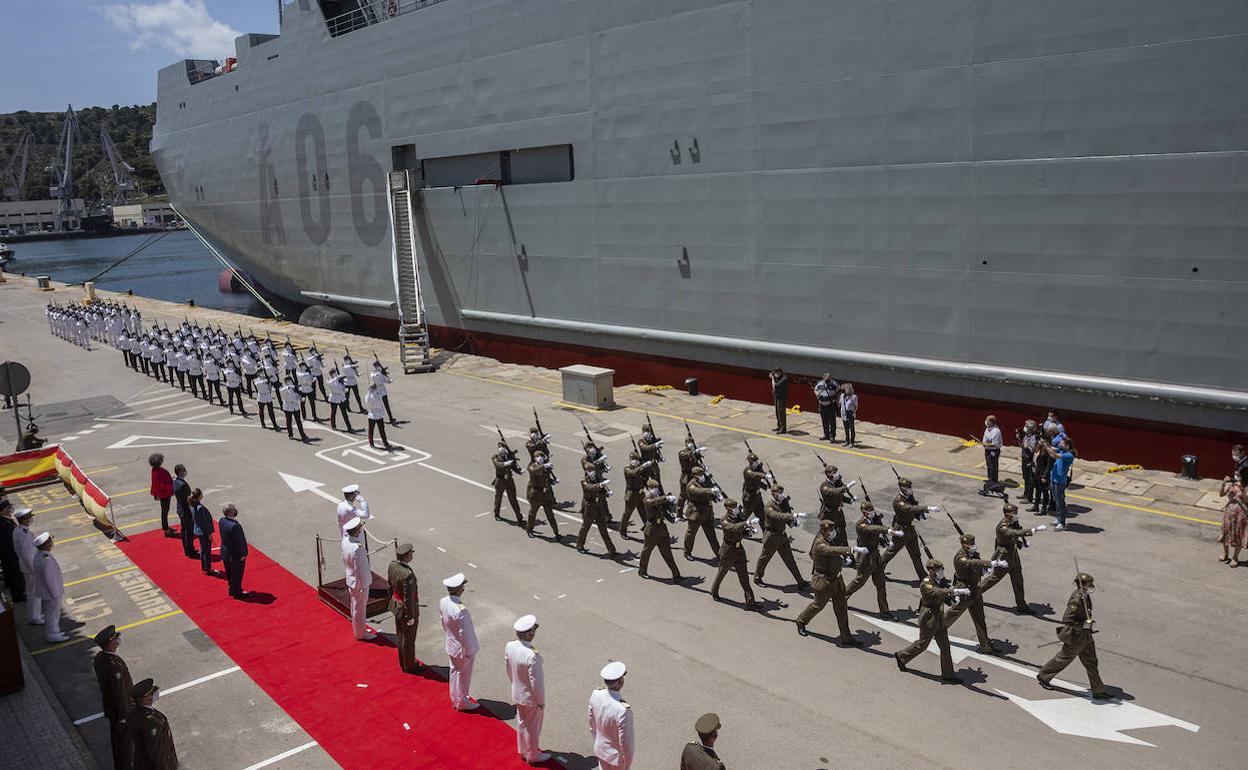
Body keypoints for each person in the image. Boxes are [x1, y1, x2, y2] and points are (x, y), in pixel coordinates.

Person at [1037, 573, 1110, 699]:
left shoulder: (1085, 596)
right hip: (1076, 636)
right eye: (1090, 584)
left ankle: (1098, 691)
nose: (1092, 586)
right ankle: (1044, 675)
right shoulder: (1077, 598)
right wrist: (1082, 625)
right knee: (1063, 659)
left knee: (1091, 663)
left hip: (1085, 636)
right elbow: (1067, 619)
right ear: (1083, 585)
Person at [894, 559, 967, 683]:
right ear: (931, 570)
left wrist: (953, 600)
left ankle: (948, 675)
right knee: (923, 644)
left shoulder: (939, 581)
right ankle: (902, 656)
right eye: (939, 569)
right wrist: (954, 591)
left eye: (942, 569)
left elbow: (943, 596)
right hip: (929, 618)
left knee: (945, 646)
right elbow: (936, 592)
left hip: (938, 618)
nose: (941, 571)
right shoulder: (926, 584)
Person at [795, 520, 862, 643]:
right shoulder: (820, 544)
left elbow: (833, 554)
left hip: (836, 580)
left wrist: (841, 561)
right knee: (818, 605)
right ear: (823, 531)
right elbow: (833, 550)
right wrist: (851, 549)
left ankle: (846, 637)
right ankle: (801, 621)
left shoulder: (829, 540)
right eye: (830, 530)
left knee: (842, 608)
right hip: (824, 581)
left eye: (833, 530)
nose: (833, 532)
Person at [943, 534, 1005, 654]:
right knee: (953, 614)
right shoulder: (960, 558)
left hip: (975, 589)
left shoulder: (974, 554)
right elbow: (973, 563)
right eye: (969, 544)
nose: (972, 546)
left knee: (980, 618)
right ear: (964, 545)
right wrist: (991, 563)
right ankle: (936, 630)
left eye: (972, 544)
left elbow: (977, 566)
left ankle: (985, 645)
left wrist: (983, 570)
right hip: (964, 590)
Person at [978, 503, 1045, 613]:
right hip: (1004, 557)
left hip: (1013, 555)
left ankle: (1021, 605)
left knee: (1018, 580)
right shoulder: (1002, 526)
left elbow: (1012, 539)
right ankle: (973, 593)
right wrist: (1034, 530)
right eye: (1014, 513)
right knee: (994, 579)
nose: (1016, 515)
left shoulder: (1011, 522)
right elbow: (1014, 533)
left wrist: (1020, 544)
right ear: (1008, 514)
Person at [505, 614, 550, 765]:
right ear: (530, 633)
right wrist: (541, 701)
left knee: (522, 723)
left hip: (517, 692)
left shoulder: (510, 646)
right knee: (533, 728)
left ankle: (524, 750)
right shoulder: (532, 655)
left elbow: (509, 670)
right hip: (530, 698)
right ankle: (533, 755)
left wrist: (515, 685)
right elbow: (536, 683)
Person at [753, 485, 810, 590]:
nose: (781, 495)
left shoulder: (783, 502)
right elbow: (778, 516)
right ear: (773, 494)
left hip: (782, 535)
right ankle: (757, 576)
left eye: (782, 493)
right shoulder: (769, 506)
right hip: (772, 537)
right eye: (779, 493)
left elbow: (786, 514)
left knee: (790, 559)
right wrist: (795, 515)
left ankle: (800, 582)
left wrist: (793, 523)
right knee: (765, 558)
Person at [93, 625, 133, 770]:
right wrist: (124, 716)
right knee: (126, 748)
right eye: (116, 638)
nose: (118, 640)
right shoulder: (113, 666)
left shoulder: (100, 658)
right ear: (110, 643)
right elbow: (119, 692)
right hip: (121, 713)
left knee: (118, 744)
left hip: (112, 711)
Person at [843, 501, 893, 619]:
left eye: (872, 510)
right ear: (864, 513)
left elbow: (875, 536)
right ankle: (841, 598)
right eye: (869, 511)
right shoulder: (861, 525)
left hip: (876, 557)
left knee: (881, 585)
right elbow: (872, 530)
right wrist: (886, 530)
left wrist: (882, 541)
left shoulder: (874, 520)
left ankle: (884, 611)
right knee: (859, 582)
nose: (872, 512)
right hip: (865, 559)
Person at [880, 477, 935, 581]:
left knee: (916, 554)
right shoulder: (898, 501)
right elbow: (909, 508)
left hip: (910, 528)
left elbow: (914, 506)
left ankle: (922, 576)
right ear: (902, 488)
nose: (910, 489)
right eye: (907, 487)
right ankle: (878, 570)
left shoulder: (909, 497)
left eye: (910, 487)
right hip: (901, 529)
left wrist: (920, 515)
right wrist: (927, 508)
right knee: (891, 552)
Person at [439, 572, 480, 710]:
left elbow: (443, 622)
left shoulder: (443, 601)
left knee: (454, 671)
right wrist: (467, 651)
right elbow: (465, 634)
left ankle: (455, 697)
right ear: (460, 589)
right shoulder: (461, 611)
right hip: (462, 648)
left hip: (451, 644)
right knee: (464, 675)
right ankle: (462, 701)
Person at [710, 500, 756, 609]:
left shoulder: (738, 516)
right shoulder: (724, 520)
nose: (736, 509)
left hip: (739, 549)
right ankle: (714, 590)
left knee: (744, 576)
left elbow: (741, 531)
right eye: (733, 507)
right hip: (728, 551)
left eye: (736, 507)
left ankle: (750, 601)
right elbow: (733, 528)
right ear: (728, 508)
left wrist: (749, 532)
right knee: (722, 573)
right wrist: (746, 523)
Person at [125, 679, 178, 770]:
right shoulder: (150, 723)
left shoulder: (135, 713)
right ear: (144, 699)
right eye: (151, 693)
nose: (155, 694)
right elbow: (156, 752)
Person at [638, 479, 684, 581]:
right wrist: (666, 497)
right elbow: (652, 503)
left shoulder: (658, 498)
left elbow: (663, 511)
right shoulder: (647, 499)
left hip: (662, 529)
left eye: (656, 488)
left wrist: (672, 519)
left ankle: (676, 575)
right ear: (649, 489)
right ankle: (642, 570)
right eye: (653, 488)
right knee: (647, 551)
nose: (655, 490)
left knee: (667, 553)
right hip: (652, 530)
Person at [388, 542, 421, 672]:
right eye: (411, 553)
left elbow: (390, 585)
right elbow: (408, 598)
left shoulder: (392, 565)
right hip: (405, 608)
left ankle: (404, 662)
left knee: (400, 635)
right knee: (408, 639)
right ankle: (410, 666)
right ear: (407, 556)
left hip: (396, 604)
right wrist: (410, 616)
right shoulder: (407, 575)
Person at [341, 517, 375, 640]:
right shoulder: (357, 548)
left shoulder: (345, 541)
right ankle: (361, 633)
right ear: (356, 530)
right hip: (359, 583)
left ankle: (360, 629)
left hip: (351, 579)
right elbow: (359, 568)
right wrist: (362, 584)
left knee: (356, 607)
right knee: (359, 609)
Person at [32, 532, 67, 642]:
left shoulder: (40, 555)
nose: (52, 544)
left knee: (51, 613)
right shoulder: (45, 559)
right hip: (52, 593)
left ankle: (54, 632)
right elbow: (49, 579)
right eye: (50, 542)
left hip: (47, 592)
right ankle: (53, 635)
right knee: (53, 614)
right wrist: (55, 594)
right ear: (46, 545)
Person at [577, 467, 618, 558]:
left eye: (593, 470)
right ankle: (580, 545)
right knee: (586, 527)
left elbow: (601, 489)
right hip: (589, 506)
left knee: (603, 528)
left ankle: (611, 550)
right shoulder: (584, 481)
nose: (591, 472)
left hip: (598, 506)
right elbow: (590, 487)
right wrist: (600, 485)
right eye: (589, 471)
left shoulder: (597, 478)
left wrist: (607, 492)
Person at [682, 466, 721, 560]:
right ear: (695, 475)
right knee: (691, 534)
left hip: (707, 513)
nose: (702, 476)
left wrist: (715, 496)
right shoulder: (691, 485)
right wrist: (710, 490)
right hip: (696, 513)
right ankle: (687, 552)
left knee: (712, 535)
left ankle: (719, 554)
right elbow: (698, 491)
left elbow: (708, 493)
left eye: (702, 474)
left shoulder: (704, 482)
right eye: (700, 475)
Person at [525, 452, 562, 539]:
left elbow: (546, 479)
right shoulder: (532, 466)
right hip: (536, 494)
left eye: (541, 456)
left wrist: (553, 481)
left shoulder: (546, 467)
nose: (540, 458)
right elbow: (533, 471)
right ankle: (530, 529)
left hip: (545, 494)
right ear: (534, 458)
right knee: (533, 513)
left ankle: (556, 532)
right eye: (537, 456)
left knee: (550, 514)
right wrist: (544, 466)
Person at [13, 508, 40, 623]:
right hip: (30, 568)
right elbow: (27, 553)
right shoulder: (24, 534)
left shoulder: (18, 530)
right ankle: (35, 616)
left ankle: (34, 615)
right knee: (34, 592)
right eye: (29, 517)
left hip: (26, 567)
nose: (31, 519)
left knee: (31, 592)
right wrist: (34, 569)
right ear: (25, 520)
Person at [1042, 437, 1076, 529]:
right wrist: (1045, 442)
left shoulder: (1068, 455)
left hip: (1059, 481)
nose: (1060, 445)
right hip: (1054, 479)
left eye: (1062, 443)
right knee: (1056, 501)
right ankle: (1058, 518)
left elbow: (1054, 455)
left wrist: (1046, 446)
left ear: (1067, 446)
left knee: (1060, 502)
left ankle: (1062, 523)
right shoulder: (1062, 451)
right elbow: (1052, 449)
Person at [218, 504, 248, 599]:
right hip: (234, 556)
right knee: (237, 576)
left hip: (225, 553)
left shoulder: (222, 521)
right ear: (231, 512)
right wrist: (242, 554)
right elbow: (238, 543)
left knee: (230, 574)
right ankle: (237, 593)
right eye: (234, 509)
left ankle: (231, 590)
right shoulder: (235, 526)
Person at [1218, 469, 1247, 566]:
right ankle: (1225, 553)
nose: (1236, 476)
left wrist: (1242, 489)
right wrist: (1223, 484)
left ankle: (1235, 557)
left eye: (1238, 475)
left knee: (1237, 534)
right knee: (1226, 532)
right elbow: (1221, 494)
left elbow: (1247, 500)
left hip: (1240, 514)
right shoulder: (1230, 485)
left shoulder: (1245, 486)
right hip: (1229, 512)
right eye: (1235, 474)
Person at [618, 450, 649, 539]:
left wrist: (646, 468)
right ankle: (622, 531)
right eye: (633, 459)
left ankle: (648, 531)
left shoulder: (640, 468)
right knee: (627, 513)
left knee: (645, 513)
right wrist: (642, 466)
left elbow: (645, 478)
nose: (635, 461)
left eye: (636, 459)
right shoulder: (627, 469)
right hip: (631, 495)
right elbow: (633, 473)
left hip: (640, 494)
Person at [0, 499, 26, 603]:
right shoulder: (3, 523)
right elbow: (10, 540)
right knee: (15, 577)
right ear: (2, 511)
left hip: (14, 555)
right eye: (7, 508)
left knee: (18, 577)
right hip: (11, 556)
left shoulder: (7, 520)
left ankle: (20, 595)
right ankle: (19, 598)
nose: (10, 510)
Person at [492, 440, 524, 524]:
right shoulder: (495, 457)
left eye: (502, 447)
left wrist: (519, 471)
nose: (500, 448)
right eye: (499, 447)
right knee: (498, 498)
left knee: (513, 499)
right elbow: (498, 465)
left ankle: (519, 518)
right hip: (500, 480)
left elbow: (514, 467)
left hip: (509, 481)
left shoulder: (509, 456)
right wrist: (506, 463)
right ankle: (496, 514)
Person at [170, 464, 196, 559]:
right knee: (188, 532)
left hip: (180, 509)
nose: (185, 471)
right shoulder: (183, 485)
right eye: (183, 470)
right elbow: (188, 499)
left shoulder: (176, 482)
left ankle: (187, 549)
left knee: (184, 530)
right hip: (186, 511)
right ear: (180, 472)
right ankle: (190, 551)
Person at [149, 453, 176, 538]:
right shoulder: (159, 472)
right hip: (164, 494)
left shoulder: (155, 470)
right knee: (165, 511)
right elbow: (161, 485)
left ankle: (166, 527)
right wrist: (173, 484)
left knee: (165, 511)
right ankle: (166, 529)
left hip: (162, 494)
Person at [190, 489, 215, 575]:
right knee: (207, 551)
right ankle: (208, 568)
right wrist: (209, 534)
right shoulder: (201, 508)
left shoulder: (193, 506)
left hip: (199, 531)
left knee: (202, 549)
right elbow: (205, 523)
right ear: (199, 496)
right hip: (204, 532)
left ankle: (204, 567)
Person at [279, 377, 309, 442]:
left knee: (298, 422)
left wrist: (301, 399)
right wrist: (289, 387)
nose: (290, 381)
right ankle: (290, 434)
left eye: (290, 380)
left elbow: (298, 395)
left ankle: (303, 435)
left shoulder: (294, 388)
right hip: (288, 406)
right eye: (288, 380)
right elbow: (281, 391)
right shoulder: (284, 388)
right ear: (286, 382)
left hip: (295, 406)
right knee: (289, 421)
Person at [364, 383, 393, 450]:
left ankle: (373, 443)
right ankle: (384, 443)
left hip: (374, 415)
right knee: (379, 430)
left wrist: (369, 391)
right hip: (376, 415)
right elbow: (378, 400)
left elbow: (367, 399)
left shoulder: (368, 396)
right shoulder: (375, 396)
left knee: (373, 430)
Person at [1017, 420, 1039, 503]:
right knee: (1025, 477)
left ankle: (1029, 497)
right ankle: (1025, 493)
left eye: (1027, 427)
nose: (1025, 428)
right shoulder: (1027, 435)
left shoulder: (1034, 437)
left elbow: (1032, 449)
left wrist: (1026, 447)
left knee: (1030, 479)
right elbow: (1023, 445)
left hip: (1030, 459)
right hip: (1024, 458)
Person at [813, 373, 839, 442]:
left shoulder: (834, 384)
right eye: (826, 378)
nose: (827, 379)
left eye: (829, 378)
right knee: (824, 420)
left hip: (830, 405)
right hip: (822, 405)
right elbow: (815, 390)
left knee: (832, 421)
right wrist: (817, 393)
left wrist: (837, 400)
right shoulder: (820, 383)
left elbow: (839, 392)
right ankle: (826, 434)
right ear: (823, 378)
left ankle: (832, 436)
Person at [327, 368, 354, 432]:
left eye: (335, 372)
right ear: (331, 374)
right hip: (334, 398)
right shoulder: (330, 380)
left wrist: (345, 391)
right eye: (334, 373)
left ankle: (349, 427)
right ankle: (333, 425)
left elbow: (342, 388)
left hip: (341, 398)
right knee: (333, 413)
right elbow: (329, 383)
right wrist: (337, 378)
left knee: (344, 413)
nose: (335, 374)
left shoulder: (340, 380)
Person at [371, 360, 397, 425]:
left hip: (377, 391)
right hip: (382, 390)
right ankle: (390, 418)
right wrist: (389, 381)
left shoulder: (372, 373)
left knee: (379, 406)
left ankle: (380, 418)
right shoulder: (379, 373)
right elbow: (383, 381)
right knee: (386, 406)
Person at [981, 415, 1002, 490]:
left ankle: (994, 481)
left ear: (991, 422)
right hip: (987, 449)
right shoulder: (988, 428)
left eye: (987, 420)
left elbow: (995, 444)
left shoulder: (996, 431)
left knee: (993, 466)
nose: (985, 421)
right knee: (989, 465)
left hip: (993, 451)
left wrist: (986, 444)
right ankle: (990, 479)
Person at [768, 367, 788, 433]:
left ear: (779, 372)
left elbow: (775, 386)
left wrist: (773, 379)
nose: (775, 374)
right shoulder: (778, 377)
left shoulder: (784, 379)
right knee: (777, 412)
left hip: (781, 398)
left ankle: (783, 428)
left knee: (781, 413)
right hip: (776, 397)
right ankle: (779, 426)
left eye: (776, 373)